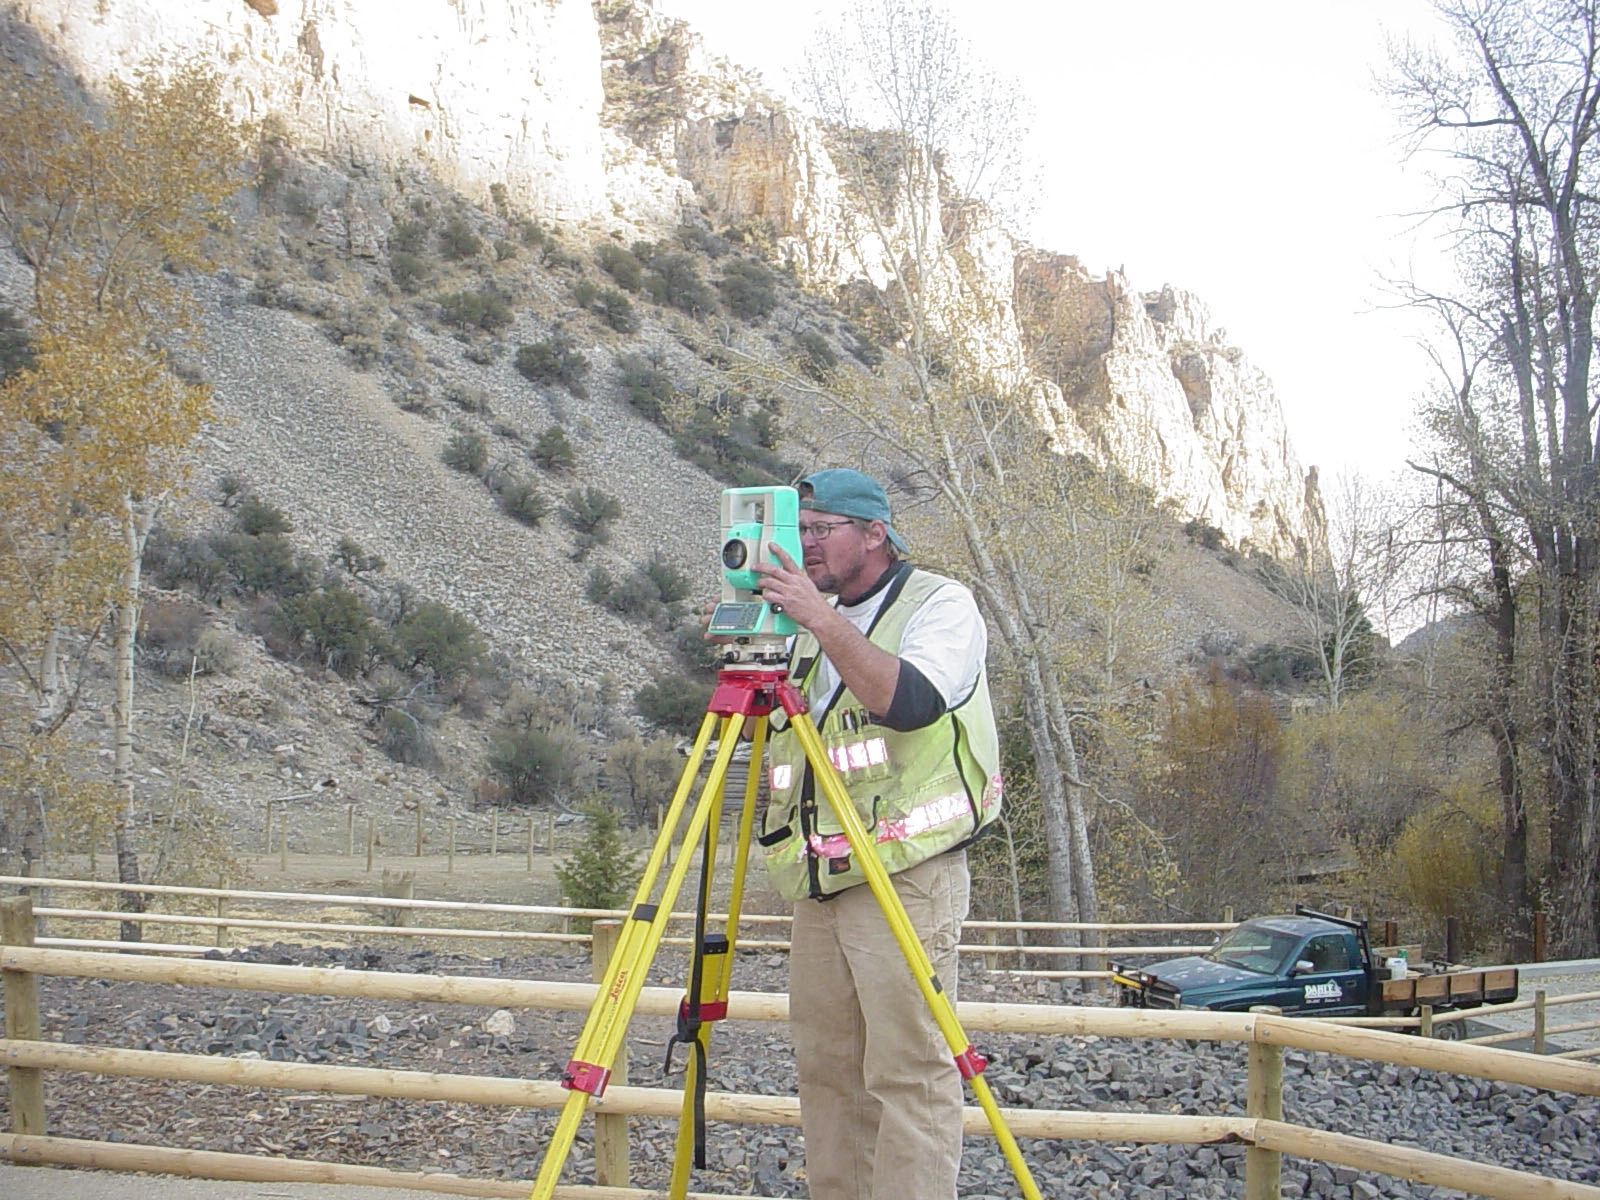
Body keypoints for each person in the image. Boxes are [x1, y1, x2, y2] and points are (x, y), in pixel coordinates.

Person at [749, 468, 1002, 1200]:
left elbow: (910, 702)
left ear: (875, 533)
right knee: (828, 1071)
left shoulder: (941, 605)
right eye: (799, 532)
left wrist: (820, 621)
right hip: (823, 879)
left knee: (909, 1072)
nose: (808, 547)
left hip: (907, 874)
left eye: (822, 529)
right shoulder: (803, 621)